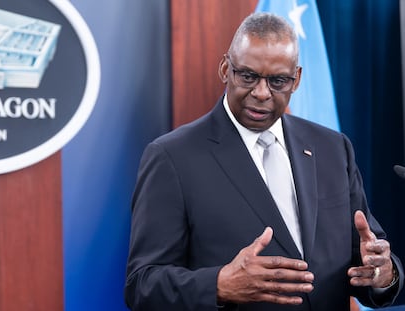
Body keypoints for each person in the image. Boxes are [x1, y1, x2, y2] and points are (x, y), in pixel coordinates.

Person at [124, 12, 403, 311]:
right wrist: (219, 284)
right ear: (224, 69)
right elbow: (142, 285)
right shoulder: (172, 157)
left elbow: (369, 254)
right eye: (247, 76)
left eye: (277, 81)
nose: (260, 93)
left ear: (296, 80)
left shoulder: (333, 148)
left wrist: (384, 273)